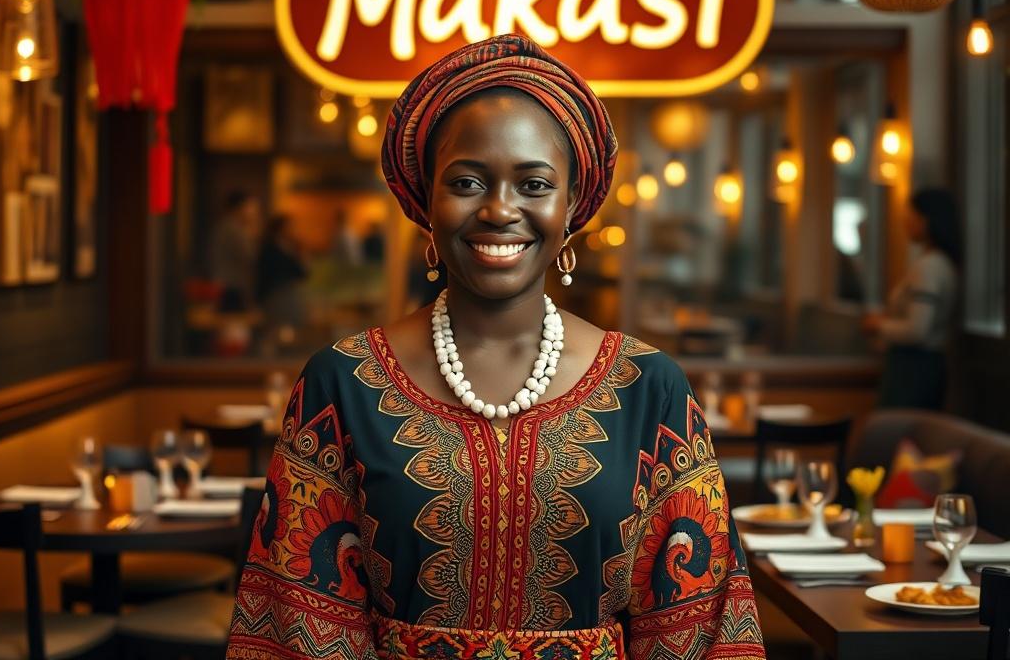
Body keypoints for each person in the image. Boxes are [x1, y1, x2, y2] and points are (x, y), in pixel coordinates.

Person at [226, 35, 764, 659]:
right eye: (467, 181)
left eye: (534, 184)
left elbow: (694, 625)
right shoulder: (341, 383)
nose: (499, 209)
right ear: (426, 199)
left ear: (571, 206)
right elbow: (300, 620)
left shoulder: (650, 388)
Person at [863, 188, 960, 410]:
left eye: (912, 216)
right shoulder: (939, 263)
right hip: (924, 365)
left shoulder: (928, 267)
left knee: (899, 434)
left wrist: (879, 324)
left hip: (912, 368)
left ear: (928, 220)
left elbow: (917, 329)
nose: (906, 222)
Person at [255, 214, 309, 329]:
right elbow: (264, 276)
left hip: (288, 295)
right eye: (290, 227)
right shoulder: (269, 249)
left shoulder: (292, 247)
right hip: (276, 296)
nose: (292, 230)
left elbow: (301, 273)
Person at [211, 190, 261, 311]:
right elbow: (250, 256)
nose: (254, 211)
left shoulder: (227, 226)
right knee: (234, 323)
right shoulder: (233, 229)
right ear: (240, 207)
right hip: (232, 286)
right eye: (251, 206)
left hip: (227, 284)